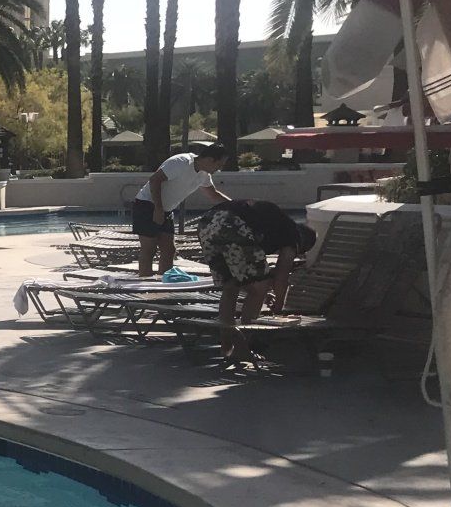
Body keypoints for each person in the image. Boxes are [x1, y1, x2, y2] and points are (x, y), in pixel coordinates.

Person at [193, 200, 317, 365]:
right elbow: (281, 277)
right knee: (260, 287)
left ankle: (227, 346)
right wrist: (279, 307)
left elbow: (244, 273)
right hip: (232, 223)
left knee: (231, 287)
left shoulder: (275, 225)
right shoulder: (293, 236)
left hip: (207, 222)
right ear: (303, 245)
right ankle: (243, 348)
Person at [133, 145, 228, 276]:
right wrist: (158, 209)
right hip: (147, 205)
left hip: (166, 209)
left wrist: (238, 206)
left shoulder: (204, 175)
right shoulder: (181, 162)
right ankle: (144, 282)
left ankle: (164, 281)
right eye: (219, 165)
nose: (219, 169)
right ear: (210, 159)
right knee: (149, 248)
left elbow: (213, 195)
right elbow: (155, 180)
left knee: (169, 250)